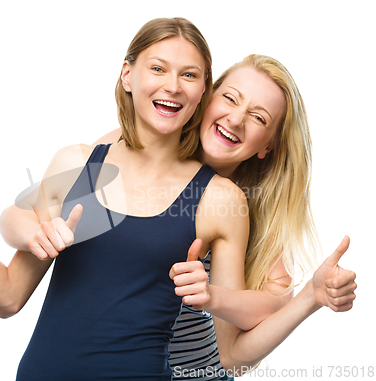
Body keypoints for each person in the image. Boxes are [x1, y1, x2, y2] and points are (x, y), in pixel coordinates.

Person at [0, 17, 254, 380]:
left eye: (189, 75)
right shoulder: (80, 167)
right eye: (158, 68)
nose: (172, 86)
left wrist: (302, 301)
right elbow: (7, 296)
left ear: (204, 90)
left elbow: (231, 356)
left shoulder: (219, 199)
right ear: (128, 76)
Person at [89, 54, 357, 379]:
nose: (236, 119)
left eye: (258, 117)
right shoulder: (124, 147)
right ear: (206, 97)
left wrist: (307, 300)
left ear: (267, 146)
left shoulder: (247, 209)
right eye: (230, 98)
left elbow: (234, 358)